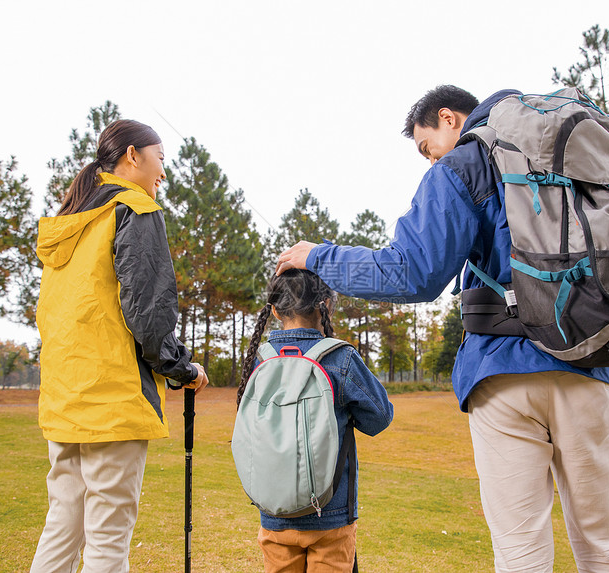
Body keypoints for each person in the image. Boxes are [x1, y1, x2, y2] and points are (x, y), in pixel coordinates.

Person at [276, 86, 609, 573]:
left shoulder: (462, 166)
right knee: (605, 551)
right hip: (591, 372)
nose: (429, 161)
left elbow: (410, 273)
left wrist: (317, 256)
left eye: (425, 147)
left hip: (503, 373)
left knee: (521, 553)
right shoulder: (585, 166)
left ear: (450, 119)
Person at [30, 119, 209, 573]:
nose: (162, 174)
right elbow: (147, 311)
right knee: (107, 539)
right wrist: (180, 367)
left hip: (65, 400)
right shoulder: (134, 209)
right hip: (112, 399)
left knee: (62, 528)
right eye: (161, 160)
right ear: (133, 156)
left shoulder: (72, 225)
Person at [238, 269, 393, 573]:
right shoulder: (340, 358)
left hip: (274, 515)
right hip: (331, 514)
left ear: (273, 309)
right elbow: (380, 417)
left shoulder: (260, 359)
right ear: (327, 305)